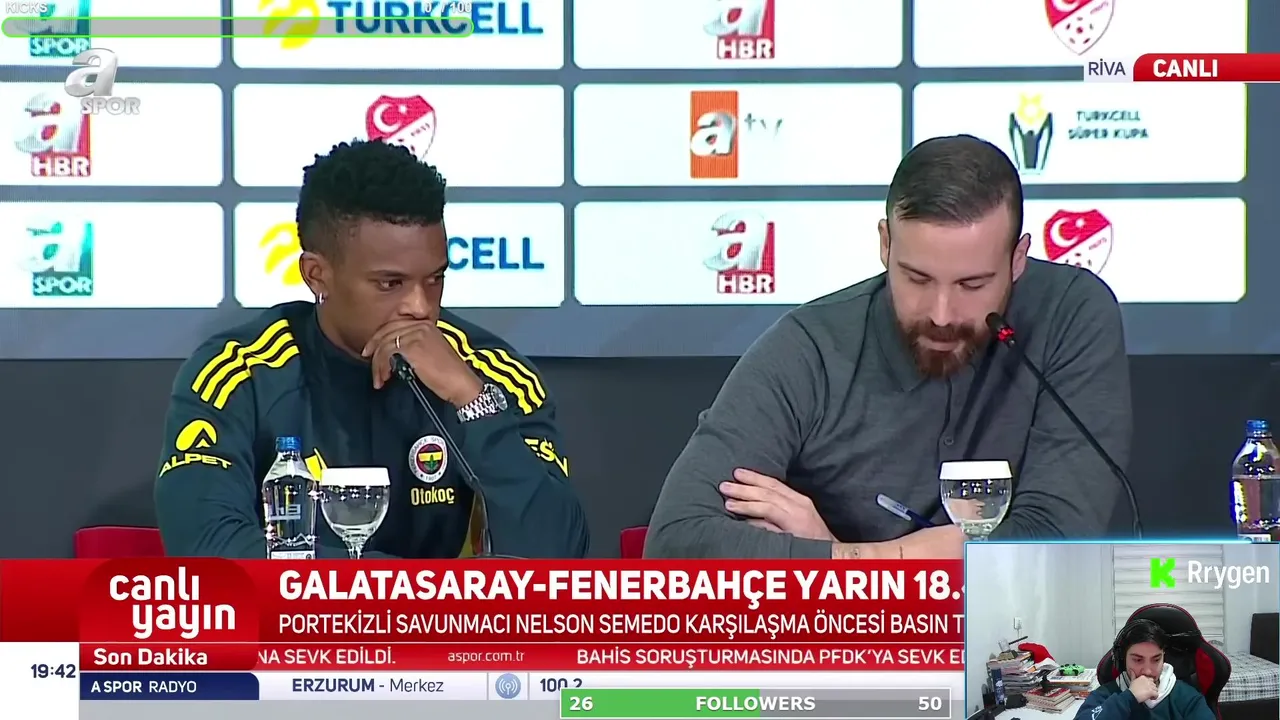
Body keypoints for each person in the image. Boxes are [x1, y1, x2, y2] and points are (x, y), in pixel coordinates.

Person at [645, 134, 1131, 559]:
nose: (941, 313)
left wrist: (850, 559)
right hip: (845, 639)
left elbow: (1056, 540)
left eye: (972, 284)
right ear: (885, 244)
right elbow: (677, 539)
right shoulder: (810, 348)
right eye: (917, 278)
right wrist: (863, 563)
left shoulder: (1069, 313)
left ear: (1018, 259)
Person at [154, 139, 589, 559]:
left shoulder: (490, 374)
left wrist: (472, 401)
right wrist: (396, 589)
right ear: (316, 275)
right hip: (304, 615)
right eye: (390, 283)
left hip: (438, 614)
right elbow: (207, 545)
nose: (420, 307)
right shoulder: (239, 373)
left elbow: (559, 554)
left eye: (435, 279)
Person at [1075, 620, 1214, 720]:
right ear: (1123, 659)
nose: (1147, 671)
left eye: (1156, 660)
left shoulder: (1187, 698)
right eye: (1137, 660)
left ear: (1164, 657)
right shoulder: (1105, 695)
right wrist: (1128, 698)